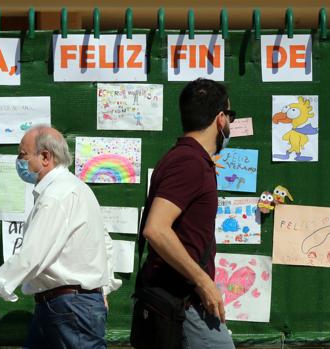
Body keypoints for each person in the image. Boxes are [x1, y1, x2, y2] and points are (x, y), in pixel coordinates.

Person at [0, 125, 122, 349]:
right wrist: (104, 288)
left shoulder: (55, 195)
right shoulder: (78, 189)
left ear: (45, 156)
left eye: (22, 154)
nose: (19, 161)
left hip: (69, 307)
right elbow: (105, 243)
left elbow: (31, 256)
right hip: (61, 306)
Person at [137, 78, 235, 348]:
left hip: (179, 304)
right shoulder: (189, 162)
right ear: (220, 119)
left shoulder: (184, 158)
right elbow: (156, 229)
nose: (230, 124)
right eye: (230, 116)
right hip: (186, 305)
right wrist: (204, 281)